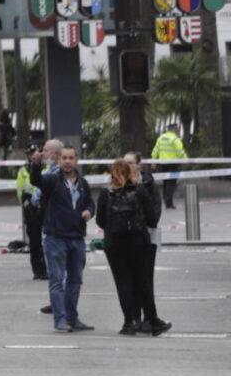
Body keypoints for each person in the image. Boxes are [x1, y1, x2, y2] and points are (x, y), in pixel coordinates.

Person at [98, 152, 169, 335]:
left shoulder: (106, 193)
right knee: (143, 282)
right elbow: (152, 217)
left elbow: (100, 220)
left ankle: (129, 323)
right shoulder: (139, 190)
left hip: (114, 244)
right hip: (138, 242)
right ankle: (152, 320)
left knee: (123, 283)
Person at [38, 143, 99, 333]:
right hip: (56, 238)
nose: (67, 161)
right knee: (57, 280)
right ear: (59, 160)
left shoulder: (83, 183)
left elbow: (90, 202)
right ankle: (60, 319)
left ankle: (73, 318)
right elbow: (36, 180)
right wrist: (35, 165)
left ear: (76, 160)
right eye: (64, 158)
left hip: (76, 238)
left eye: (71, 158)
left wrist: (89, 211)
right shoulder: (51, 180)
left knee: (75, 280)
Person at [17, 140, 55, 297]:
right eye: (30, 154)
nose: (33, 155)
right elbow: (20, 189)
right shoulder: (23, 170)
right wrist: (26, 203)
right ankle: (37, 270)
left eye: (35, 152)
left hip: (44, 207)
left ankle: (47, 269)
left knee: (46, 240)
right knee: (34, 240)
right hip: (31, 208)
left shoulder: (46, 168)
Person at [151, 120, 187, 214]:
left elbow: (155, 150)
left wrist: (153, 161)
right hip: (173, 163)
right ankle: (168, 203)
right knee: (172, 183)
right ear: (174, 129)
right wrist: (186, 160)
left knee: (166, 183)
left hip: (162, 163)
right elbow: (180, 151)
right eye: (177, 129)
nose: (178, 130)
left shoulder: (161, 138)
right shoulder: (175, 139)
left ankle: (167, 202)